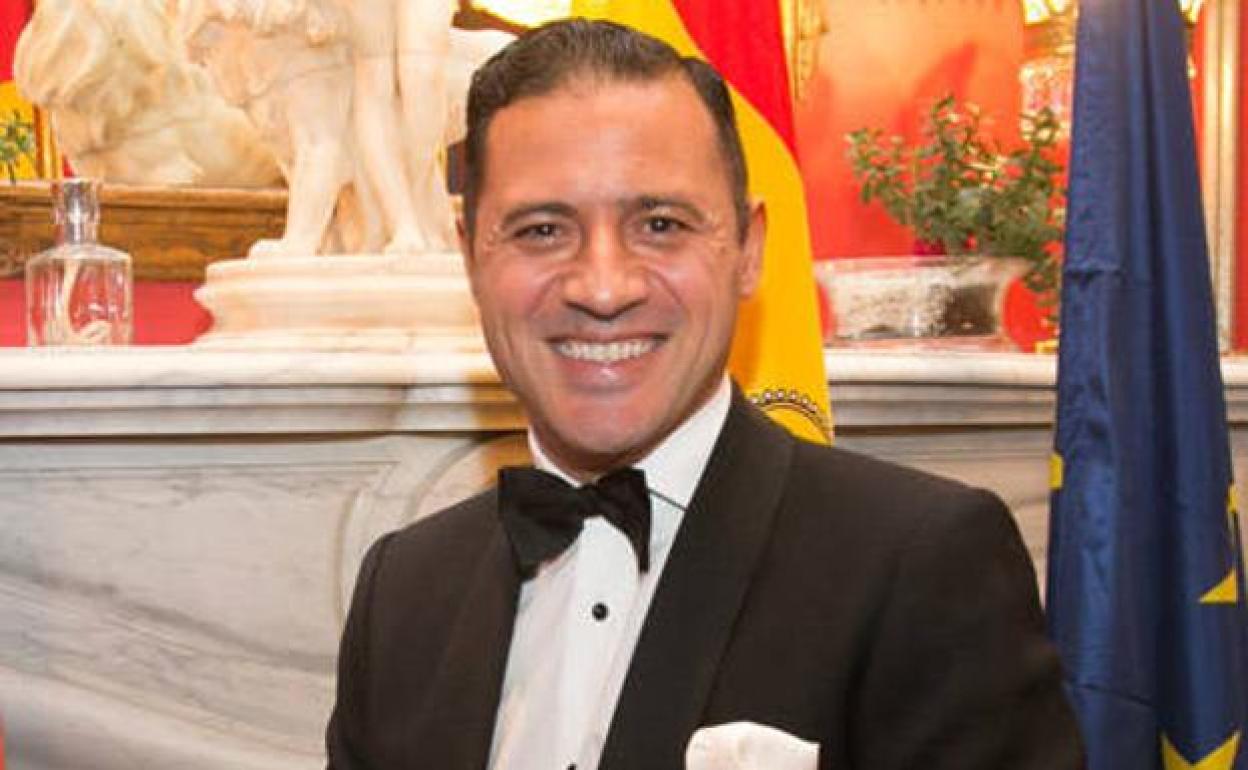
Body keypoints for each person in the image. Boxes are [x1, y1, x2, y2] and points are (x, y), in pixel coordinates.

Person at [325, 19, 1084, 770]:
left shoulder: (922, 564)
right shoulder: (403, 590)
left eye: (660, 224)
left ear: (748, 250)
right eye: (541, 230)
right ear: (471, 261)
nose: (603, 287)